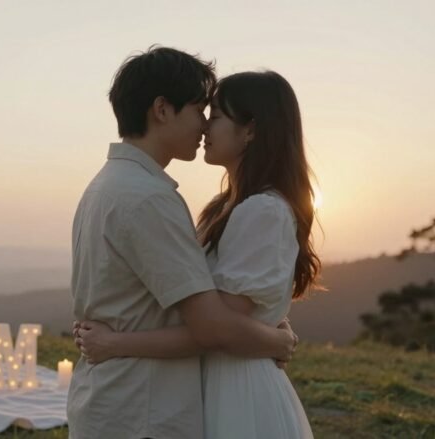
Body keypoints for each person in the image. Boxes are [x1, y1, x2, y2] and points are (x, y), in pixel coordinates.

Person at [67, 46, 298, 439]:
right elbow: (213, 328)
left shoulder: (107, 185)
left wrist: (114, 342)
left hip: (120, 399)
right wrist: (277, 339)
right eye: (199, 109)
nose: (204, 124)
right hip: (142, 408)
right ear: (162, 109)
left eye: (213, 114)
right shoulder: (149, 198)